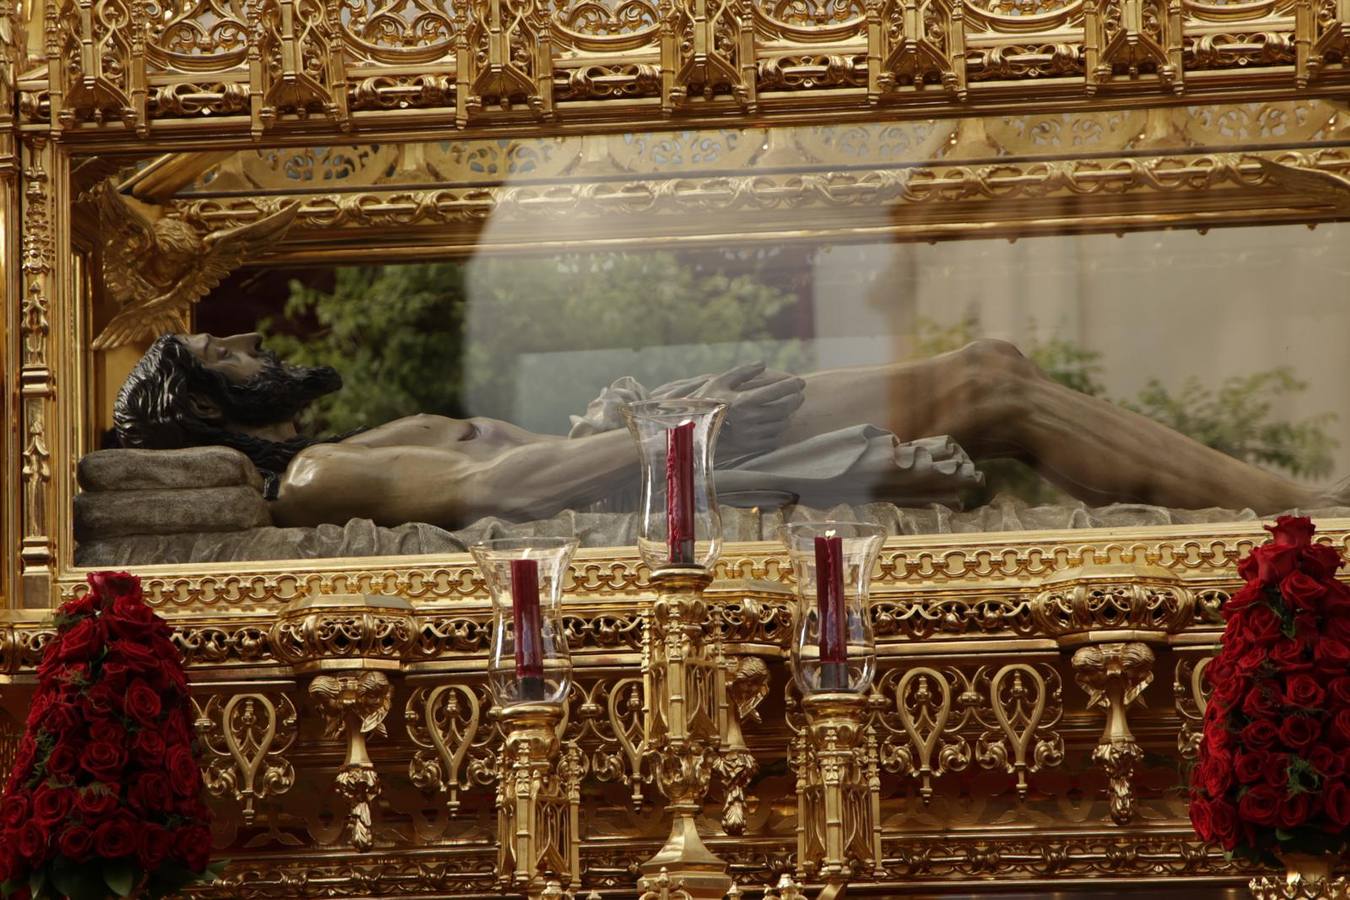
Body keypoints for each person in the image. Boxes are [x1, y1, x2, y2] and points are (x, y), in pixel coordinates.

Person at [111, 332, 1347, 530]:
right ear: (200, 406)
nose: (254, 349)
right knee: (988, 386)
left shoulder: (360, 434)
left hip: (664, 443)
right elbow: (516, 485)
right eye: (227, 358)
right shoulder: (323, 473)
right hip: (669, 467)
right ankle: (1300, 510)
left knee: (995, 375)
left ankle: (1283, 500)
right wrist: (701, 432)